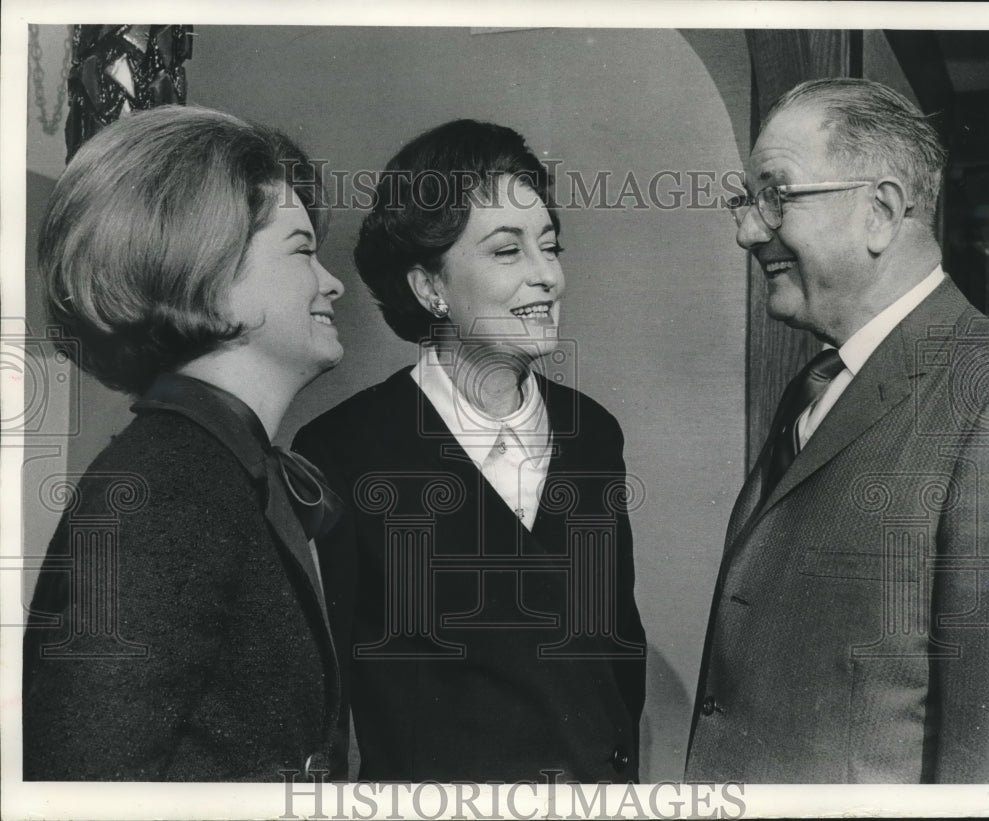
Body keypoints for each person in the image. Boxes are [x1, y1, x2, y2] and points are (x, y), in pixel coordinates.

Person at [294, 119, 646, 782]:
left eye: (551, 246)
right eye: (508, 252)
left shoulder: (593, 433)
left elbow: (616, 661)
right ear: (430, 287)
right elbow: (323, 701)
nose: (549, 277)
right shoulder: (345, 450)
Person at [23, 105, 348, 781]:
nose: (332, 282)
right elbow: (88, 783)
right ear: (211, 280)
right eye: (302, 249)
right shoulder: (166, 486)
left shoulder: (219, 467)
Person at [687, 78, 989, 783]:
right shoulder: (817, 384)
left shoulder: (986, 393)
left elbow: (987, 756)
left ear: (881, 211)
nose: (747, 230)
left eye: (776, 196)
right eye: (747, 200)